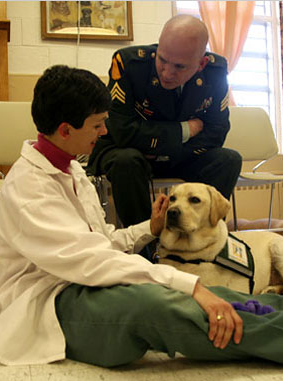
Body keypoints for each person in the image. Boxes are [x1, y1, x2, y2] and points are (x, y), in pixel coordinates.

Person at [0, 65, 283, 372]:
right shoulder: (29, 190)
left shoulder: (69, 167)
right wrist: (192, 286)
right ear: (66, 130)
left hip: (81, 279)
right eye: (97, 124)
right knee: (160, 304)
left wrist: (146, 230)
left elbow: (100, 242)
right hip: (49, 304)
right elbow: (88, 261)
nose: (105, 132)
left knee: (215, 294)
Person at [87, 15, 242, 233]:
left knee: (228, 159)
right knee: (126, 160)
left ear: (201, 64)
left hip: (178, 155)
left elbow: (217, 132)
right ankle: (145, 248)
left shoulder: (215, 71)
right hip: (130, 154)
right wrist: (186, 129)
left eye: (180, 67)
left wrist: (165, 146)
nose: (167, 74)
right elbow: (122, 131)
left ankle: (202, 240)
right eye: (161, 60)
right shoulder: (129, 63)